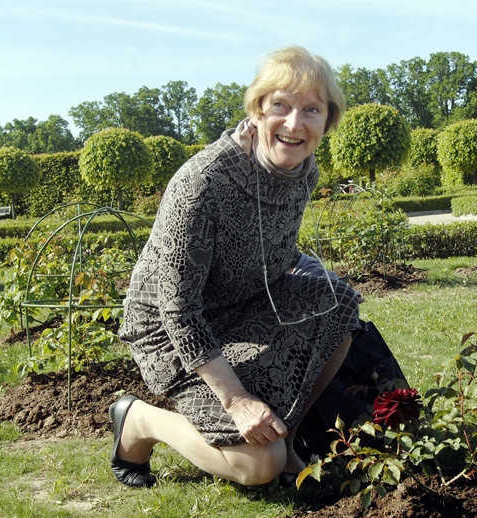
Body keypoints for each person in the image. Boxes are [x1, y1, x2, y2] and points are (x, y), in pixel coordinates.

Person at [111, 45, 360, 488]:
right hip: (170, 330)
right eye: (280, 105)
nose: (294, 124)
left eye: (312, 110)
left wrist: (316, 288)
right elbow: (178, 309)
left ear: (328, 120)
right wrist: (237, 399)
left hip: (244, 308)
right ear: (257, 110)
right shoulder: (203, 182)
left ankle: (287, 437)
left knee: (339, 303)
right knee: (258, 465)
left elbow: (277, 253)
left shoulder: (304, 170)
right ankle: (139, 420)